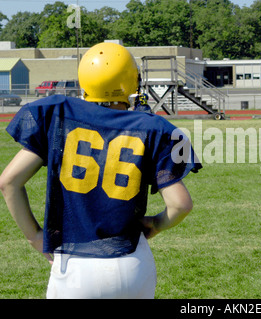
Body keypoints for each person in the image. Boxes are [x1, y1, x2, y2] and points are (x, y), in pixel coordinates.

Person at [0, 42, 202, 299]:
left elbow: (8, 182)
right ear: (131, 81)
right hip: (133, 263)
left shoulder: (59, 114)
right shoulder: (152, 127)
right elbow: (180, 205)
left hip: (75, 266)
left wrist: (34, 237)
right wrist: (156, 224)